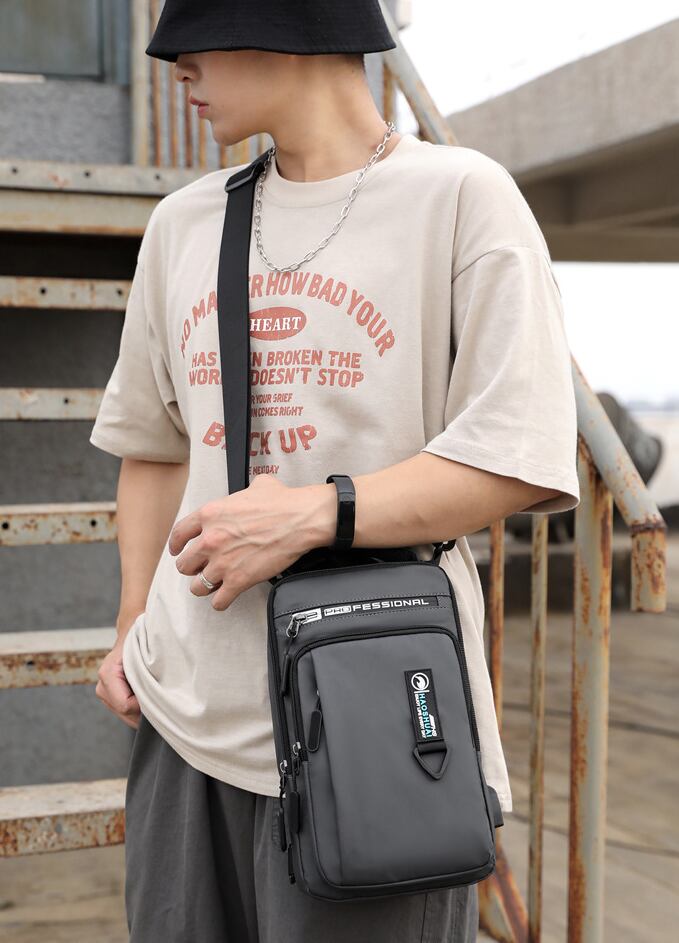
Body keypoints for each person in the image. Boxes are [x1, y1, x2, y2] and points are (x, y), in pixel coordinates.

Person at [90, 1, 580, 940]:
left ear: (287, 25)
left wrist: (316, 513)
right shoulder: (184, 223)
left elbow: (517, 455)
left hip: (378, 720)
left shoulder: (461, 197)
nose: (175, 67)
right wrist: (129, 626)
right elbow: (153, 444)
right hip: (184, 720)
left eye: (194, 36)